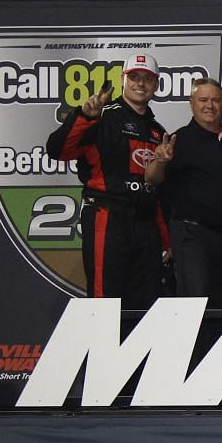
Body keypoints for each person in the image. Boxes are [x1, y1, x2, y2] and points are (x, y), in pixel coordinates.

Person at [47, 52, 168, 305]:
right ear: (123, 79)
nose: (140, 83)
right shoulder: (103, 117)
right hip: (108, 216)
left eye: (148, 78)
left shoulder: (158, 131)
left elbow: (159, 192)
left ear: (156, 85)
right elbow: (58, 150)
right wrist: (84, 116)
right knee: (105, 302)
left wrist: (166, 240)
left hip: (145, 224)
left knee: (146, 306)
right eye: (134, 76)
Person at [149, 77, 222, 308]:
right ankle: (192, 347)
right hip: (192, 235)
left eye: (216, 100)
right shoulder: (179, 140)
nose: (210, 105)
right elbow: (152, 178)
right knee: (194, 305)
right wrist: (159, 161)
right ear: (191, 103)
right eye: (203, 100)